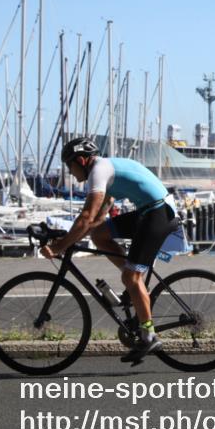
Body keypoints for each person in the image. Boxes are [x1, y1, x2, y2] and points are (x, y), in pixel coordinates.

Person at [40, 137, 180, 364]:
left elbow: (87, 216)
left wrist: (59, 246)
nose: (70, 172)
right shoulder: (104, 169)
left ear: (81, 160)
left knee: (131, 277)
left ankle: (149, 335)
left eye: (69, 166)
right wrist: (73, 236)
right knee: (99, 235)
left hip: (158, 213)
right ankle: (135, 283)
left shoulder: (98, 171)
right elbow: (98, 217)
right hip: (149, 211)